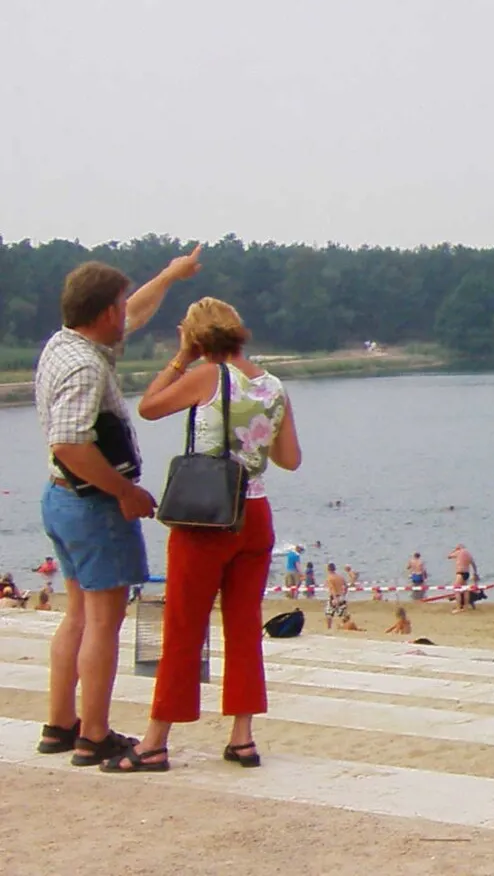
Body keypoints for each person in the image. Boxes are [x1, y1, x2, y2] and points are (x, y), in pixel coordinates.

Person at [108, 295, 299, 773]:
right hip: (254, 513)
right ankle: (242, 737)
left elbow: (149, 407)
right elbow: (290, 459)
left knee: (183, 629)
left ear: (197, 337)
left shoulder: (207, 377)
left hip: (207, 518)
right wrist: (252, 439)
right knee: (243, 627)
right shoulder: (273, 386)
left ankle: (155, 742)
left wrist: (178, 359)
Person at [34, 249, 201, 767]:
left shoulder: (63, 345)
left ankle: (60, 725)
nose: (126, 314)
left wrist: (170, 277)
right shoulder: (86, 367)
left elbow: (135, 311)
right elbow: (70, 443)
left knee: (78, 617)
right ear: (105, 312)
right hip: (95, 504)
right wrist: (125, 492)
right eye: (120, 305)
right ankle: (94, 734)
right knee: (104, 623)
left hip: (60, 500)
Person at [448, 544, 476, 611]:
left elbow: (449, 556)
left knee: (457, 589)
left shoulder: (458, 552)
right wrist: (475, 573)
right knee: (465, 590)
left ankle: (458, 607)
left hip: (460, 573)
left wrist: (455, 550)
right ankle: (465, 607)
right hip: (467, 573)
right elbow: (473, 564)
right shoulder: (468, 554)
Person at [322, 564, 348, 631]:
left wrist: (335, 598)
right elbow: (346, 586)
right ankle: (345, 626)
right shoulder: (340, 577)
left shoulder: (330, 578)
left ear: (328, 569)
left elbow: (332, 588)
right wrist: (344, 594)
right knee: (343, 614)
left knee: (329, 614)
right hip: (341, 596)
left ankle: (329, 628)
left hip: (334, 597)